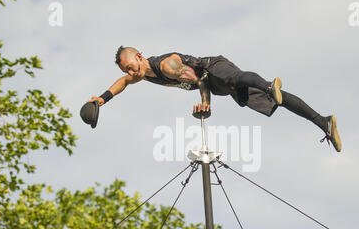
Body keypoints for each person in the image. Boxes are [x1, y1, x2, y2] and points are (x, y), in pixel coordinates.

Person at [86, 46, 342, 152]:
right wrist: (103, 99)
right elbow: (122, 83)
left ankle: (267, 84)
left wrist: (206, 102)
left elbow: (199, 80)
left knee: (239, 79)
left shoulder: (165, 65)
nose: (131, 73)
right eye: (127, 70)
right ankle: (324, 123)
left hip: (213, 70)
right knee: (273, 101)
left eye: (131, 66)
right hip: (218, 86)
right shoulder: (142, 75)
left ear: (139, 56)